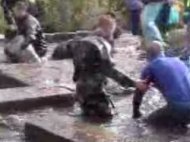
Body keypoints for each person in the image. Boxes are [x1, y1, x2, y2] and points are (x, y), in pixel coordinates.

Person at [52, 36, 135, 118]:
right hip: (92, 75)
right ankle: (96, 110)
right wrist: (131, 83)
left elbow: (108, 70)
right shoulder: (84, 46)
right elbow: (109, 70)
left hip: (91, 78)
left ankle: (91, 110)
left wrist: (130, 83)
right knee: (94, 91)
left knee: (89, 91)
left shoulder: (79, 46)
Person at [133, 41, 190, 127]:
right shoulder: (178, 61)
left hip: (179, 108)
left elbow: (139, 91)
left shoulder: (151, 67)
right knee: (179, 122)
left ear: (148, 56)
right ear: (162, 52)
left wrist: (136, 113)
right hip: (183, 107)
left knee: (147, 123)